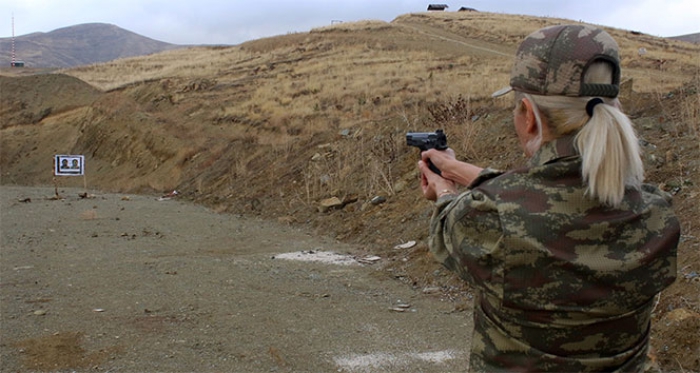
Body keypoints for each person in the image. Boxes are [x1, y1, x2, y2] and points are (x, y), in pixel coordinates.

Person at [417, 24, 679, 372]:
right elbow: (546, 196)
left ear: (528, 116)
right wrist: (458, 167)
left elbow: (455, 219)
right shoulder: (657, 213)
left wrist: (444, 188)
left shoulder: (489, 219)